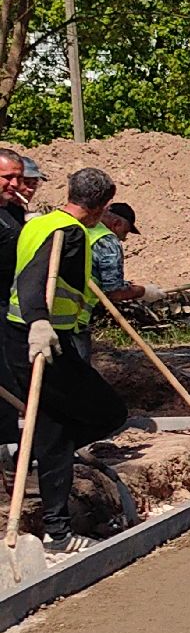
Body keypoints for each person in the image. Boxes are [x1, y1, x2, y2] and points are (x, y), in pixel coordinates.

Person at [1, 167, 130, 552]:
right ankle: (49, 477)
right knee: (108, 413)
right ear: (102, 206)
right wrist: (40, 322)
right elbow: (34, 278)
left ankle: (58, 529)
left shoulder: (39, 224)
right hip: (41, 340)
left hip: (21, 335)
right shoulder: (67, 232)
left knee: (53, 430)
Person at [75, 202, 166, 362]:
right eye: (124, 232)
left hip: (39, 313)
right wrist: (144, 292)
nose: (123, 238)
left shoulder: (79, 227)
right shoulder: (107, 242)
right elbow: (114, 292)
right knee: (77, 375)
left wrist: (126, 286)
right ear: (116, 224)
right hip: (74, 319)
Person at [0, 150, 45, 459]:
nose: (16, 184)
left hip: (9, 308)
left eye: (20, 177)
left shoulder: (10, 212)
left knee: (13, 382)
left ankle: (15, 449)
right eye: (8, 177)